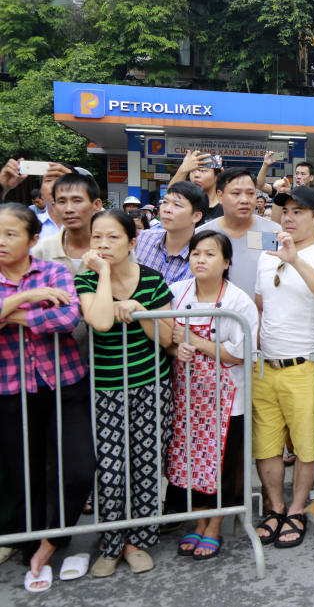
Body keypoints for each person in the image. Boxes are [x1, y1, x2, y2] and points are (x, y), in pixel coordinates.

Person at [75, 210, 174, 578]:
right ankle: (111, 543)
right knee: (111, 471)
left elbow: (165, 339)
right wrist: (103, 274)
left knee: (147, 466)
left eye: (113, 237)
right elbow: (100, 322)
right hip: (105, 391)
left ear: (133, 242)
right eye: (96, 237)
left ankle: (138, 542)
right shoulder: (86, 278)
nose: (102, 244)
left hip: (151, 386)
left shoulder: (153, 280)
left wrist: (141, 309)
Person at [0, 203, 94, 592]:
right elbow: (49, 313)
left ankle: (52, 538)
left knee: (78, 468)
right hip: (11, 389)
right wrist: (31, 297)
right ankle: (36, 543)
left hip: (66, 384)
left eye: (10, 234)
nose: (1, 241)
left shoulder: (54, 270)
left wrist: (8, 313)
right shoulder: (43, 283)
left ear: (33, 240)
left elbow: (69, 319)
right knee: (27, 473)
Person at [253, 186, 314, 547]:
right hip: (265, 366)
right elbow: (261, 304)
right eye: (285, 211)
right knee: (266, 446)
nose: (289, 218)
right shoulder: (265, 256)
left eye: (299, 211)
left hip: (305, 365)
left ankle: (296, 509)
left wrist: (295, 260)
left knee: (307, 446)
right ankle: (275, 508)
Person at [165, 231, 258, 560]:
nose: (200, 260)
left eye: (210, 254)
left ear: (227, 262)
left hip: (226, 399)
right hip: (188, 397)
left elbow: (240, 353)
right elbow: (167, 338)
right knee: (191, 461)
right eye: (195, 253)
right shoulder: (176, 293)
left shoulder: (238, 300)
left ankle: (215, 524)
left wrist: (195, 341)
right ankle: (198, 519)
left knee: (224, 463)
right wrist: (178, 348)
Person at [197, 168, 281, 300]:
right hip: (216, 316)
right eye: (236, 193)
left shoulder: (273, 233)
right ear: (220, 196)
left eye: (250, 193)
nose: (244, 200)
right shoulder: (203, 234)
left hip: (261, 316)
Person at [134, 181, 207, 286]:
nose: (167, 209)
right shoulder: (144, 238)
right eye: (165, 202)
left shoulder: (204, 257)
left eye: (177, 205)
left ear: (196, 216)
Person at [169, 150, 222, 221]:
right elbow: (171, 196)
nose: (196, 175)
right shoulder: (186, 205)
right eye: (192, 171)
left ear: (217, 176)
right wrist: (182, 170)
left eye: (203, 171)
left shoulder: (226, 207)